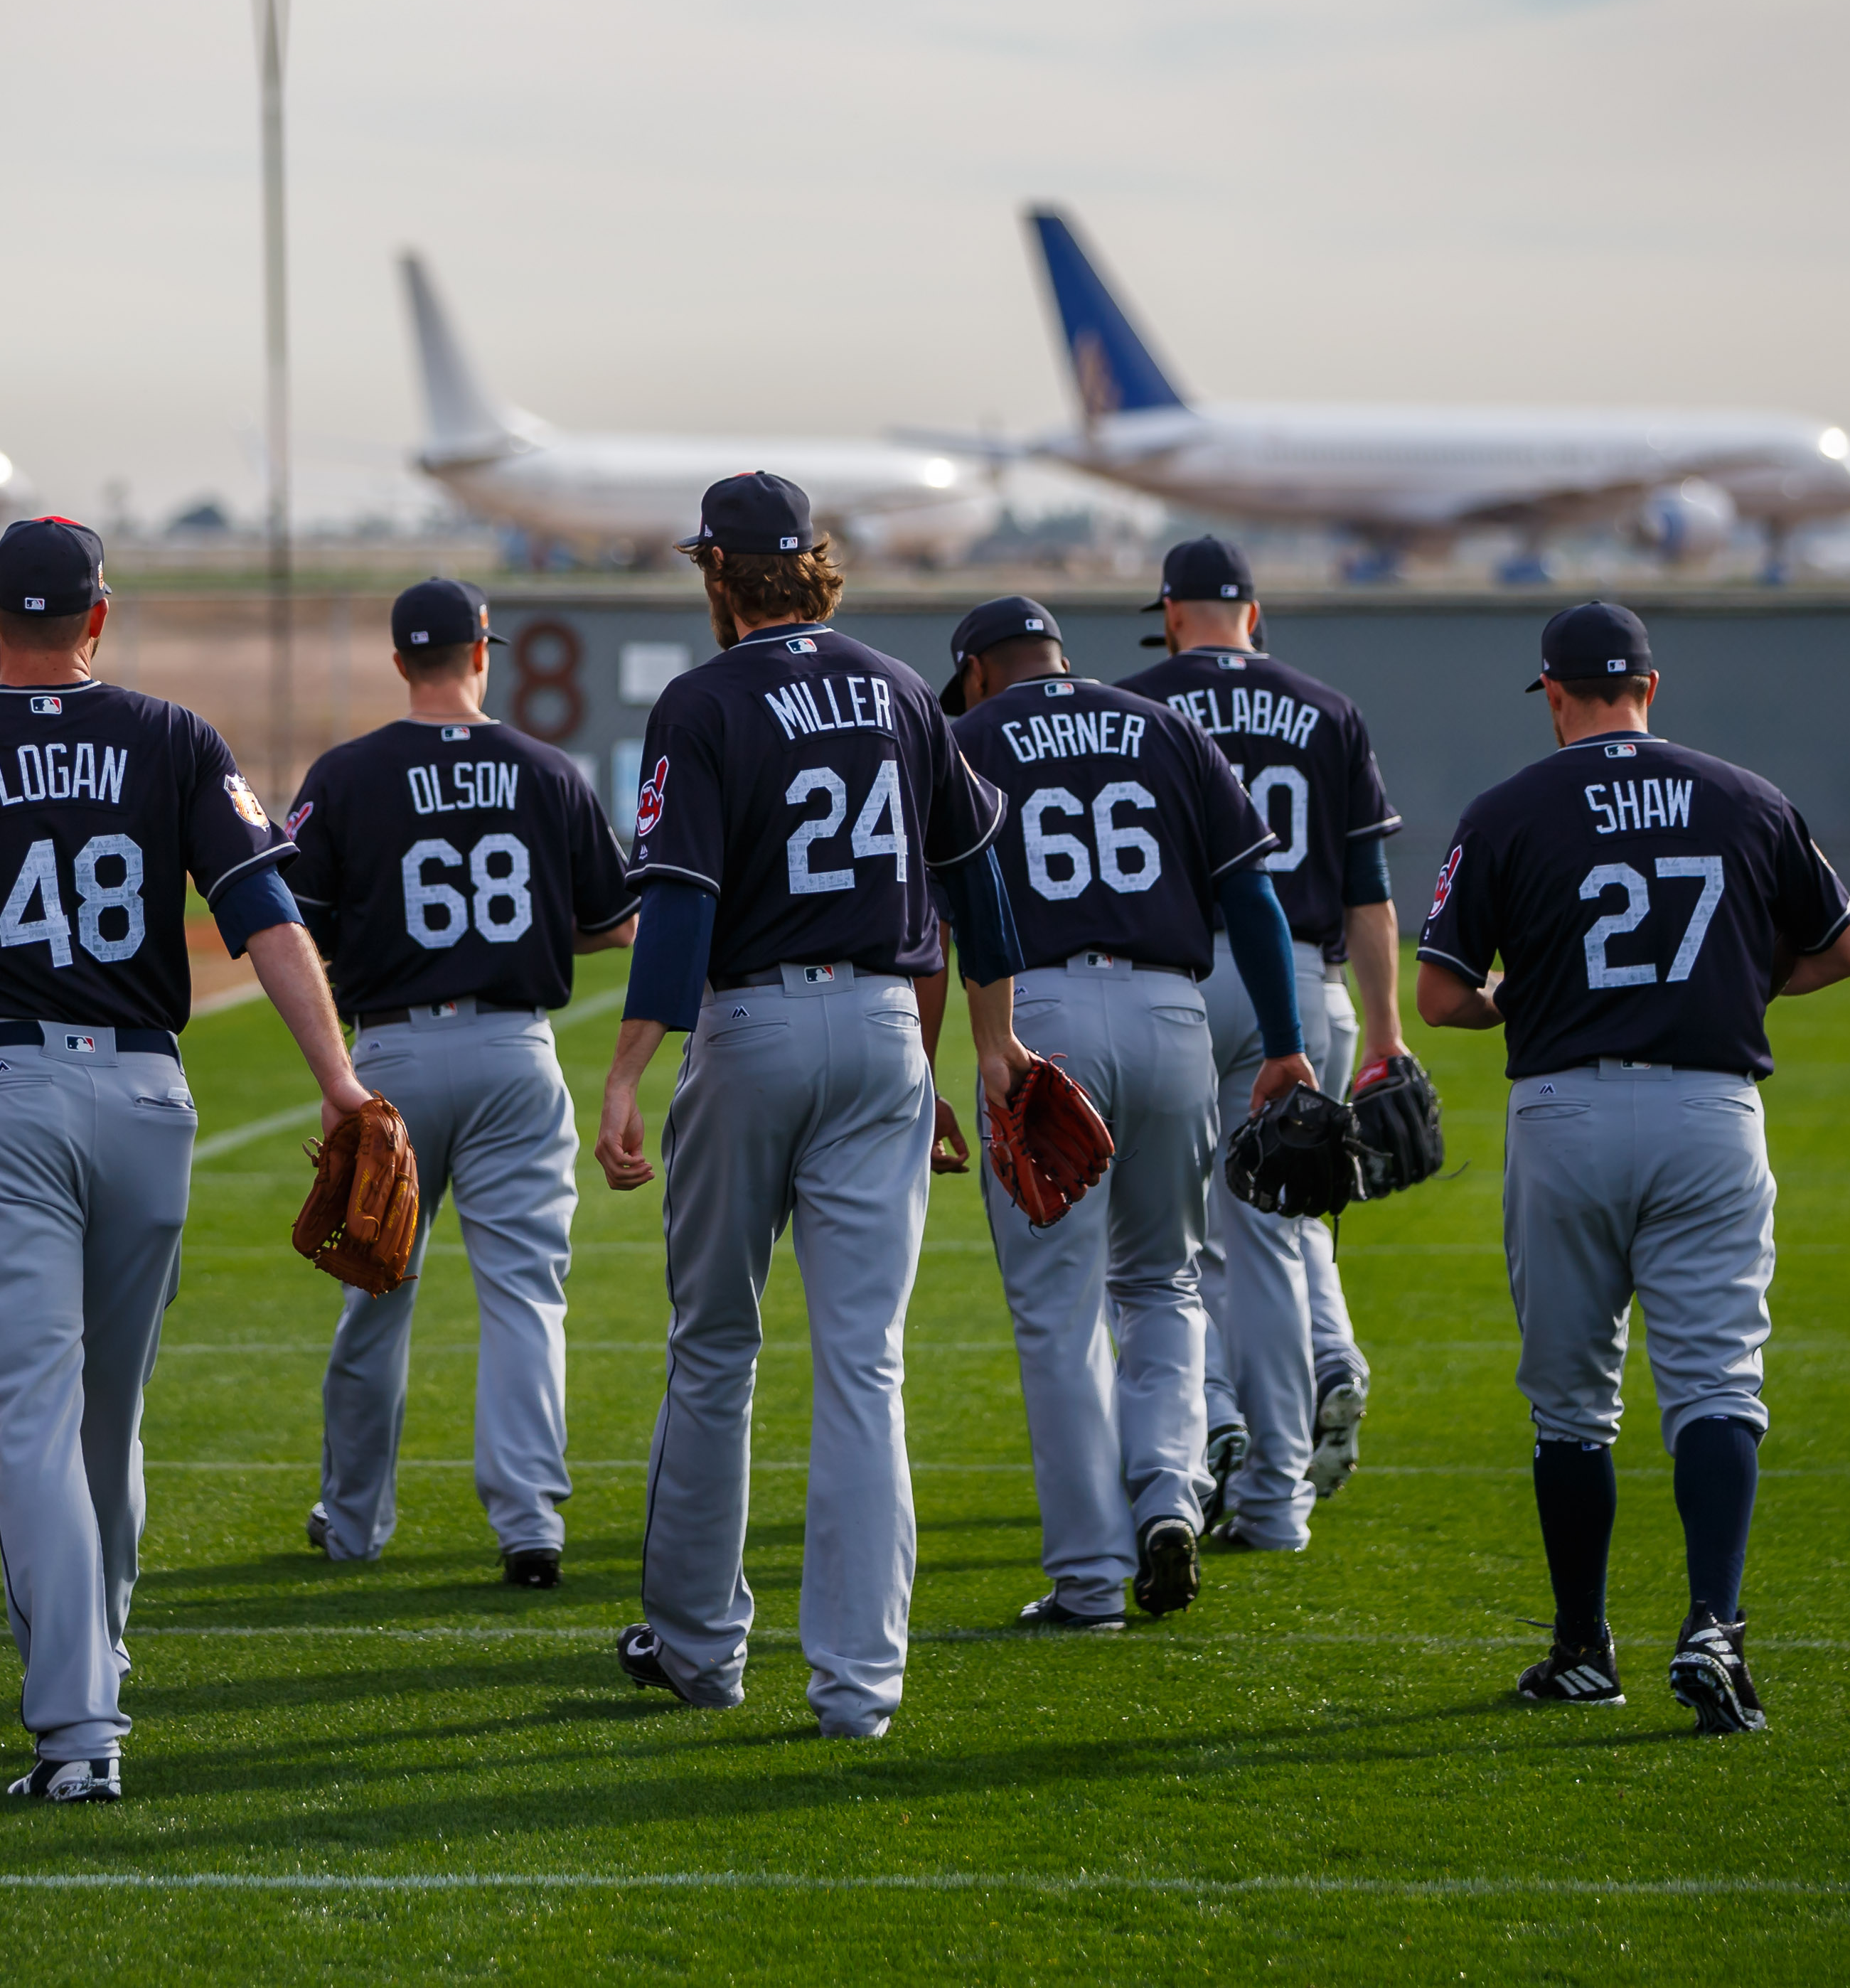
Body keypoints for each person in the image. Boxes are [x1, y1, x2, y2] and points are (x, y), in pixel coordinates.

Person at [0, 516, 368, 1805]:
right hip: (142, 1091)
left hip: (4, 1089)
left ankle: (77, 1726)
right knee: (103, 1422)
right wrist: (337, 1080)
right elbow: (264, 914)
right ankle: (98, 1661)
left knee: (30, 1424)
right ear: (99, 619)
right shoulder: (172, 735)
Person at [594, 471, 1013, 1740]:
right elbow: (975, 887)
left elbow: (678, 904)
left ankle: (699, 1646)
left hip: (755, 1021)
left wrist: (623, 1070)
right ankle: (857, 1685)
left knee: (716, 1344)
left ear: (719, 571)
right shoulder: (895, 685)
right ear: (814, 564)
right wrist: (988, 1056)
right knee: (863, 1366)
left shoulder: (704, 696)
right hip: (888, 1028)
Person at [1418, 602, 1850, 1734]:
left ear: (1554, 693)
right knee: (1717, 1380)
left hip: (1562, 1108)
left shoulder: (1510, 806)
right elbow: (1845, 946)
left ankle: (1581, 1648)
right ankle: (1711, 1622)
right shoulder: (1742, 794)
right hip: (1709, 1106)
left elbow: (1439, 995)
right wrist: (1731, 986)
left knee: (1571, 1400)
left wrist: (1516, 998)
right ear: (1649, 689)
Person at [941, 594, 1317, 1628]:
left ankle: (1089, 1580)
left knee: (1058, 1316)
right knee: (1161, 1281)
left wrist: (950, 1058)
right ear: (1060, 656)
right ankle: (1168, 1495)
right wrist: (1283, 1042)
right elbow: (1252, 894)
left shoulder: (966, 733)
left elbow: (939, 916)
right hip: (1169, 1012)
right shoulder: (1164, 722)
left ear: (976, 671)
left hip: (1036, 1014)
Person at [284, 578, 638, 1587]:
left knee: (374, 1291)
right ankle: (530, 1520)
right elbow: (617, 918)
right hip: (512, 1051)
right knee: (525, 1294)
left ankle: (352, 1522)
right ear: (484, 650)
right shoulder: (545, 768)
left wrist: (333, 1074)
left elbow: (297, 925)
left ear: (400, 659)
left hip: (390, 1057)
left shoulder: (346, 775)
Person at [1118, 537, 1407, 1545]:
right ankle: (1278, 1495)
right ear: (1254, 611)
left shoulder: (1134, 703)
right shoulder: (1325, 708)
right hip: (1302, 978)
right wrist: (1383, 1035)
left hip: (1180, 974)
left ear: (1167, 610)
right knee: (1281, 1238)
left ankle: (1203, 1441)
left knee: (1169, 1249)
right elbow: (1369, 897)